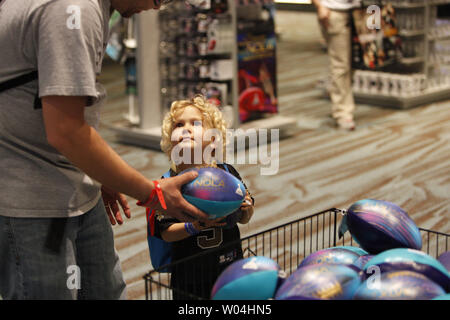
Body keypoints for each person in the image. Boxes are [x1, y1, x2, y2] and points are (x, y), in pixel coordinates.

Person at [0, 0, 210, 300]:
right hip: (30, 198)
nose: (157, 7)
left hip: (73, 184)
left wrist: (100, 170)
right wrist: (154, 194)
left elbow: (73, 107)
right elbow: (66, 131)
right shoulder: (75, 10)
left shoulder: (93, 10)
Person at [151, 95, 255, 300]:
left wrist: (246, 207)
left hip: (229, 266)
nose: (186, 128)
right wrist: (195, 226)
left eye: (195, 123)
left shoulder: (227, 173)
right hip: (189, 275)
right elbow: (166, 232)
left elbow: (245, 218)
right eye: (179, 124)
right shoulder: (170, 182)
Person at [312, 0, 361, 130]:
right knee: (340, 65)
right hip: (334, 12)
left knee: (354, 63)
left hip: (359, 12)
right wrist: (320, 6)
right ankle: (342, 112)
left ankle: (343, 104)